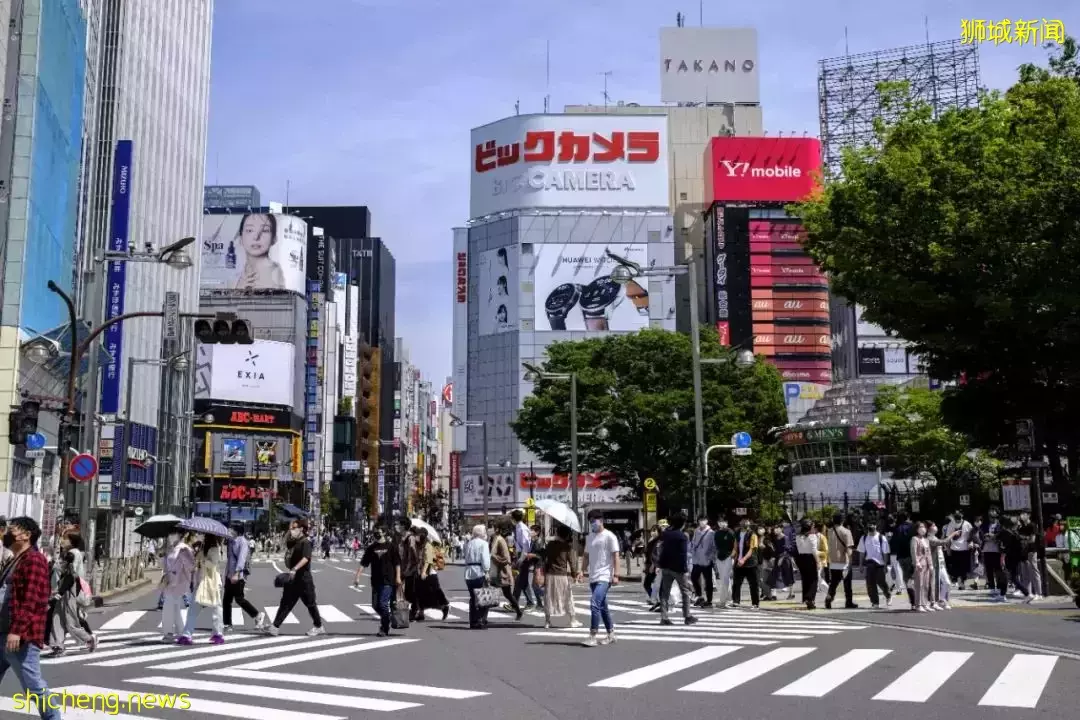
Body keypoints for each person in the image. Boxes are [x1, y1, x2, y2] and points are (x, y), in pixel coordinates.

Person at [0, 517, 61, 719]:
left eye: (12, 530)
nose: (7, 533)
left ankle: (52, 717)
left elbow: (31, 600)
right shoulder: (14, 559)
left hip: (20, 637)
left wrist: (16, 631)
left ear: (26, 535)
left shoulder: (34, 560)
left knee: (33, 687)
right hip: (3, 632)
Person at [266, 519, 324, 636]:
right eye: (291, 528)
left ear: (301, 529)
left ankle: (318, 626)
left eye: (294, 528)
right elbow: (285, 542)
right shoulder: (294, 541)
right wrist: (290, 530)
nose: (292, 530)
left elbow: (306, 558)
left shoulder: (305, 542)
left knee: (310, 604)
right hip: (293, 579)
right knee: (286, 603)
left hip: (304, 579)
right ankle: (275, 627)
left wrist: (295, 569)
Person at [46, 534, 96, 656]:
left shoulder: (73, 553)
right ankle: (58, 645)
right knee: (57, 619)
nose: (62, 541)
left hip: (69, 592)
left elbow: (70, 575)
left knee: (70, 622)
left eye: (66, 539)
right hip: (61, 590)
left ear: (72, 541)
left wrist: (60, 593)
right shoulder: (68, 553)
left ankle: (89, 639)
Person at [578, 511, 621, 646]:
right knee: (603, 607)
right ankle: (611, 634)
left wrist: (616, 575)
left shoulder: (610, 536)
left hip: (605, 576)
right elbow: (586, 556)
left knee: (594, 603)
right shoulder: (590, 537)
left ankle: (593, 636)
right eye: (590, 521)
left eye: (594, 520)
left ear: (601, 520)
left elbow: (616, 556)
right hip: (593, 576)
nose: (592, 523)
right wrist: (582, 571)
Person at [180, 534, 225, 645]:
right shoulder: (202, 547)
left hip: (212, 582)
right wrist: (196, 553)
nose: (203, 537)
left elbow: (212, 564)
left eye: (205, 536)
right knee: (193, 609)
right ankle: (187, 634)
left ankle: (218, 633)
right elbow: (195, 564)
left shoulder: (215, 549)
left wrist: (202, 560)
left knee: (216, 608)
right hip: (201, 582)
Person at [656, 514, 697, 626]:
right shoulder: (682, 536)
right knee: (685, 592)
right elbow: (682, 554)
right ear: (682, 524)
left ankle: (664, 617)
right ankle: (687, 616)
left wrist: (661, 564)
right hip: (678, 568)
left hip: (666, 567)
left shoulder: (666, 534)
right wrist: (685, 569)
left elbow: (662, 550)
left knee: (665, 593)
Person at [360, 526, 401, 637]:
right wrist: (357, 577)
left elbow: (397, 563)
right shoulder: (371, 548)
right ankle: (387, 617)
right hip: (375, 580)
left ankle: (384, 627)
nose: (376, 534)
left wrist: (398, 577)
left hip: (388, 580)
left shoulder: (391, 546)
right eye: (375, 532)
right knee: (376, 605)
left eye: (378, 532)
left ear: (384, 533)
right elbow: (364, 562)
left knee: (383, 604)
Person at [224, 522, 265, 632]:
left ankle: (258, 615)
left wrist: (237, 574)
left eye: (231, 529)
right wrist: (227, 575)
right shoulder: (230, 541)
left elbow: (241, 559)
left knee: (239, 599)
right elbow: (230, 559)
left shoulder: (243, 542)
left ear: (237, 531)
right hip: (229, 574)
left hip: (238, 575)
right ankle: (227, 624)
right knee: (226, 600)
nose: (229, 531)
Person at [542, 524, 580, 629]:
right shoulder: (567, 547)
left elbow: (545, 559)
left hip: (550, 574)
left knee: (549, 597)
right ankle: (572, 620)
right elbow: (572, 563)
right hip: (561, 575)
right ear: (567, 535)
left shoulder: (550, 545)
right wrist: (574, 575)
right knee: (568, 597)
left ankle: (547, 621)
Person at [234, 213, 285, 289]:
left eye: (264, 230)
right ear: (240, 238)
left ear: (274, 238)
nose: (256, 237)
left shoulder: (275, 273)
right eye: (250, 230)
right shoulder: (237, 274)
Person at [159, 531, 194, 643]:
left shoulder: (184, 548)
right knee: (175, 607)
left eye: (174, 533)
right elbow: (165, 565)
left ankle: (169, 633)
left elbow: (191, 566)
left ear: (180, 535)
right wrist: (162, 556)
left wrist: (183, 557)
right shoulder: (170, 548)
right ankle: (181, 632)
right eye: (170, 533)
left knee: (168, 606)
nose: (171, 536)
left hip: (180, 582)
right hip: (170, 581)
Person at [488, 523, 522, 620]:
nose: (489, 530)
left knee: (507, 594)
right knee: (490, 591)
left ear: (497, 529)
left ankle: (518, 611)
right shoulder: (494, 539)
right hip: (496, 570)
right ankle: (483, 617)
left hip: (502, 571)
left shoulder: (500, 540)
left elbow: (506, 558)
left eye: (491, 528)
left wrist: (494, 558)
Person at [414, 528, 449, 621]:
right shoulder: (419, 545)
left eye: (417, 535)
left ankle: (444, 607)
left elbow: (428, 560)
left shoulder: (428, 545)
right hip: (420, 572)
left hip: (429, 574)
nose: (416, 536)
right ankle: (421, 612)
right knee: (419, 593)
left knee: (434, 593)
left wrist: (423, 572)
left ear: (422, 535)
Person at [824, 513, 857, 610]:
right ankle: (848, 602)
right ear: (842, 520)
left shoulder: (829, 531)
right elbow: (849, 548)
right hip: (843, 561)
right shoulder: (846, 532)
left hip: (833, 561)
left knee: (833, 583)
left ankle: (829, 596)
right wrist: (850, 560)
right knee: (847, 584)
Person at [463, 525, 492, 629]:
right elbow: (485, 559)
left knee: (473, 597)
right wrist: (487, 571)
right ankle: (481, 620)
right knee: (484, 597)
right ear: (482, 533)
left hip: (469, 572)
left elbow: (466, 557)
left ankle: (473, 621)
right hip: (479, 571)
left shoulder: (469, 543)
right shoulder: (484, 544)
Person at [857, 522, 891, 608]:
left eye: (873, 524)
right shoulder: (864, 538)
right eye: (869, 525)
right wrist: (860, 565)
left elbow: (885, 553)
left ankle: (888, 595)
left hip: (880, 564)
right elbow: (861, 552)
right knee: (870, 584)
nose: (871, 526)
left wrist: (885, 565)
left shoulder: (881, 537)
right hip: (869, 564)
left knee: (881, 582)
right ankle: (875, 602)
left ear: (876, 526)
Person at [731, 518, 761, 608]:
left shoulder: (753, 534)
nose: (744, 524)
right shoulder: (737, 533)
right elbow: (735, 547)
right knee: (736, 583)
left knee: (753, 584)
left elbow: (752, 549)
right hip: (738, 562)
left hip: (751, 563)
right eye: (743, 522)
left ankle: (755, 603)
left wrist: (743, 559)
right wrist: (732, 556)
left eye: (746, 522)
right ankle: (736, 601)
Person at [690, 516, 716, 607]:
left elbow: (714, 547)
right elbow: (693, 543)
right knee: (693, 577)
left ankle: (709, 600)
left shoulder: (711, 532)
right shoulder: (696, 531)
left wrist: (710, 557)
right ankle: (699, 596)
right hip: (697, 560)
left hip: (706, 561)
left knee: (708, 581)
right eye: (700, 520)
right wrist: (693, 552)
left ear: (707, 521)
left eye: (704, 520)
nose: (702, 522)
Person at [794, 519, 821, 609]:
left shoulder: (798, 537)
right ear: (810, 527)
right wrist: (818, 562)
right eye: (813, 526)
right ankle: (810, 598)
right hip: (810, 558)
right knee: (813, 579)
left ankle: (805, 598)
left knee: (805, 579)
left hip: (801, 558)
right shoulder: (812, 536)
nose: (814, 528)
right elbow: (814, 550)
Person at [910, 522, 933, 612]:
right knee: (919, 585)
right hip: (919, 565)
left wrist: (930, 564)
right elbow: (914, 551)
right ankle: (918, 604)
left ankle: (925, 603)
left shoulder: (926, 540)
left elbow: (929, 553)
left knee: (926, 585)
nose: (923, 528)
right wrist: (916, 563)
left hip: (926, 564)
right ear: (917, 529)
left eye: (924, 527)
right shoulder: (914, 539)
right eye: (921, 527)